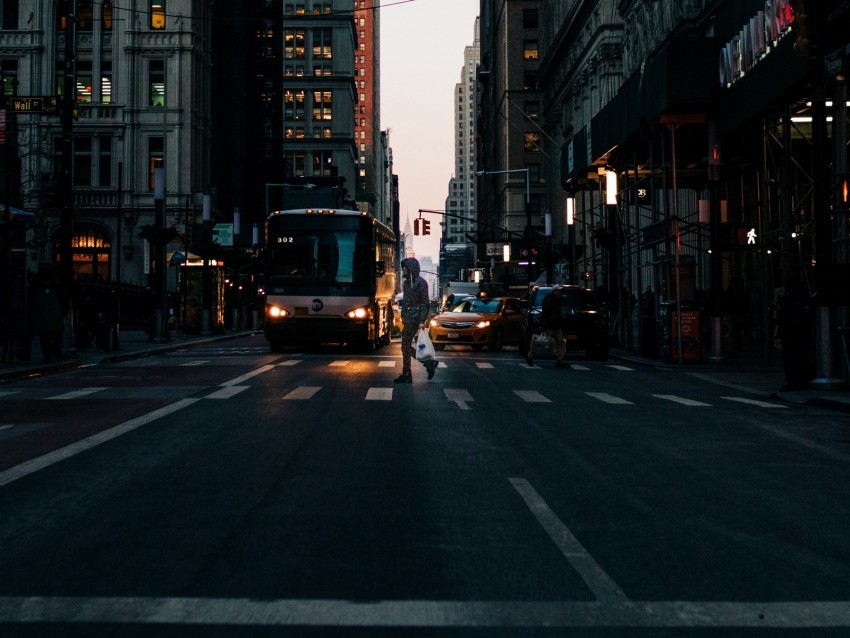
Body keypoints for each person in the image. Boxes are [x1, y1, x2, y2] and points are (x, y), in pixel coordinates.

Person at [395, 257, 437, 383]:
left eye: (406, 267)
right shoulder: (406, 283)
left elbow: (425, 303)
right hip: (408, 318)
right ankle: (428, 364)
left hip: (415, 319)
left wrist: (422, 321)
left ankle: (408, 373)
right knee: (405, 346)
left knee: (405, 346)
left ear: (412, 268)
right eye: (403, 267)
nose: (404, 269)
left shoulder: (421, 283)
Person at [776, 273, 812, 391]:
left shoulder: (787, 298)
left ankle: (794, 381)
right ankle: (801, 380)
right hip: (800, 332)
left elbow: (783, 317)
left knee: (790, 358)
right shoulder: (803, 295)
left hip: (790, 332)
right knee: (801, 357)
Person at [528, 285, 569, 368]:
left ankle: (560, 360)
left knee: (559, 343)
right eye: (558, 291)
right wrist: (544, 325)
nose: (559, 292)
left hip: (556, 326)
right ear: (554, 291)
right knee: (541, 343)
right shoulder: (548, 300)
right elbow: (545, 313)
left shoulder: (558, 300)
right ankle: (530, 356)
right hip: (550, 326)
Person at [31, 268, 65, 364]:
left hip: (48, 318)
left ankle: (50, 356)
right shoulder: (57, 288)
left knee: (48, 339)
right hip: (52, 319)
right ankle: (54, 355)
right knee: (52, 339)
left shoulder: (38, 289)